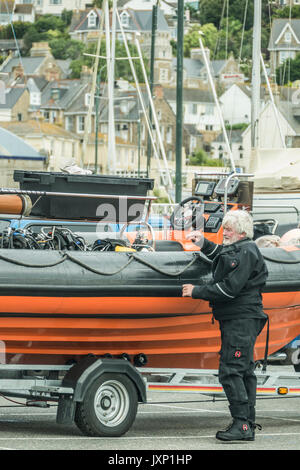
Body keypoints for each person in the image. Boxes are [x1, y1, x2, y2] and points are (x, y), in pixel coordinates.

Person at [182, 210, 268, 442]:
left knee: (231, 370)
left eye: (229, 229)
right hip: (240, 319)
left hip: (241, 320)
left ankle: (241, 425)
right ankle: (246, 423)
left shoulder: (247, 251)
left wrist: (196, 291)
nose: (225, 232)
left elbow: (230, 288)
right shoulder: (241, 249)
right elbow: (222, 254)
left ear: (241, 232)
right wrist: (203, 243)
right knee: (244, 370)